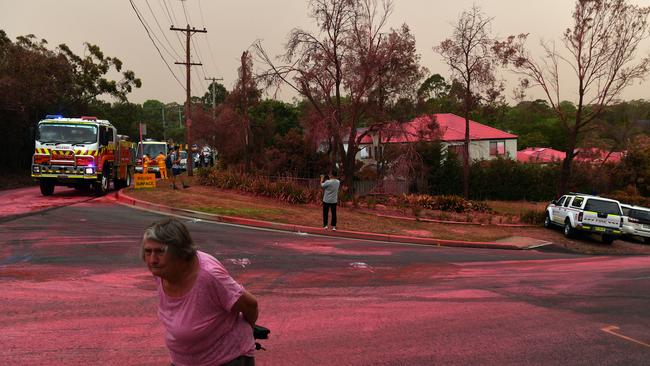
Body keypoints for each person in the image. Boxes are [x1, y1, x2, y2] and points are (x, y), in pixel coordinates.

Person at [141, 218, 259, 366]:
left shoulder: (209, 276)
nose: (152, 260)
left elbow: (250, 305)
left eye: (160, 252)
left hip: (226, 359)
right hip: (184, 360)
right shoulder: (163, 270)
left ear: (180, 253)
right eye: (148, 251)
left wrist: (249, 329)